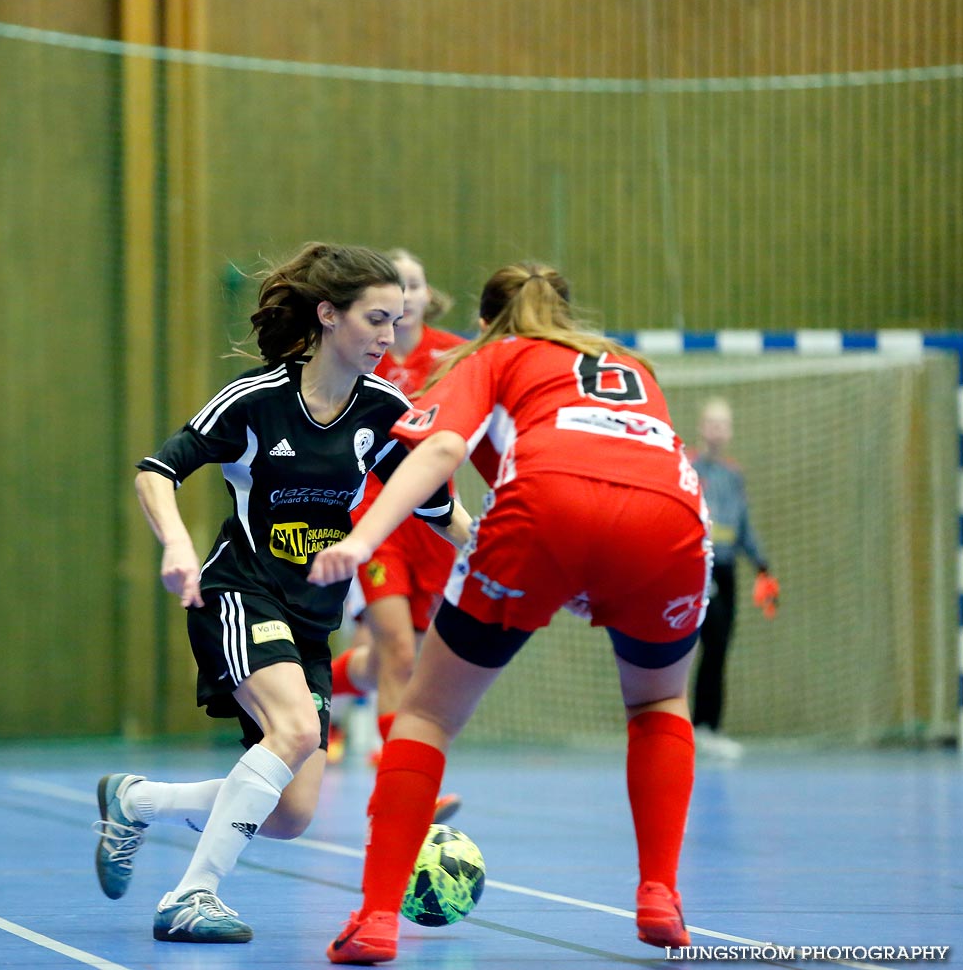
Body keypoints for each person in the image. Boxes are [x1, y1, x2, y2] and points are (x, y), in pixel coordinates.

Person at [307, 262, 710, 964]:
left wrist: (362, 536)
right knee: (661, 700)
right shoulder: (631, 365)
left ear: (490, 318)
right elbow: (632, 466)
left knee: (427, 713)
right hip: (671, 516)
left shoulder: (493, 353)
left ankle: (376, 918)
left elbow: (440, 447)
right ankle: (659, 893)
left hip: (545, 504)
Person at [93, 242, 470, 944]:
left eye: (397, 322)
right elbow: (156, 470)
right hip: (240, 594)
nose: (389, 338)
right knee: (295, 730)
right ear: (329, 315)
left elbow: (437, 507)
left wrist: (499, 554)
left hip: (311, 622)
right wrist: (176, 546)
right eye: (376, 320)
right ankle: (191, 896)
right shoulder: (258, 400)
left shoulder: (385, 409)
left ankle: (135, 800)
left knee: (291, 814)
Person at [330, 250, 465, 823]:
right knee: (399, 651)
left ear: (427, 294)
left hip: (434, 523)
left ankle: (317, 683)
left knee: (385, 661)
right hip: (376, 518)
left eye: (414, 284)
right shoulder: (364, 357)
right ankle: (404, 787)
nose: (405, 297)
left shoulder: (456, 355)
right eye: (396, 287)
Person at [689, 397, 777, 762]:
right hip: (698, 568)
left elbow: (742, 525)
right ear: (701, 427)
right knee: (699, 646)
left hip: (727, 570)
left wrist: (762, 565)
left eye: (723, 424)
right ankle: (695, 726)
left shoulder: (734, 474)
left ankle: (711, 726)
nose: (717, 430)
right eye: (711, 423)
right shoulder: (690, 467)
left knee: (720, 648)